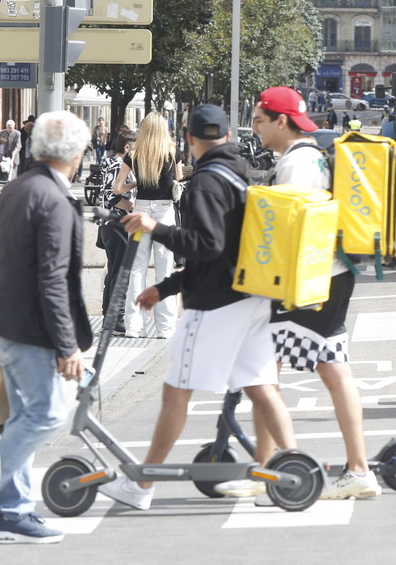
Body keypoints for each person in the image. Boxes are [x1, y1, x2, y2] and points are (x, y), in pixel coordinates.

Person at [100, 104, 297, 511]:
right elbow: (223, 251)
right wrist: (167, 286)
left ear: (189, 140)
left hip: (215, 306)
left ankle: (141, 485)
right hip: (252, 296)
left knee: (175, 392)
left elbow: (206, 247)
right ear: (226, 136)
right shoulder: (239, 173)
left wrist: (158, 228)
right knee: (262, 387)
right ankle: (293, 471)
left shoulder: (206, 182)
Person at [0, 110, 93, 545]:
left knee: (20, 417)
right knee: (46, 414)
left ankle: (13, 510)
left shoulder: (17, 190)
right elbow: (52, 278)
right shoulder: (53, 199)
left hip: (6, 322)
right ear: (78, 153)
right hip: (30, 327)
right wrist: (67, 345)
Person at [236, 86, 380, 502]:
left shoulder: (297, 164)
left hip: (310, 282)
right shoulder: (310, 156)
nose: (256, 128)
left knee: (264, 370)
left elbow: (295, 230)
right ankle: (355, 468)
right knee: (330, 370)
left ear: (282, 121)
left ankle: (271, 470)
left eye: (261, 120)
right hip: (329, 277)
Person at [113, 113, 182, 338]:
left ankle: (134, 326)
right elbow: (178, 184)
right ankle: (165, 327)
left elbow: (117, 189)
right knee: (164, 270)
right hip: (164, 212)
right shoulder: (171, 151)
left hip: (140, 210)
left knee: (136, 268)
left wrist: (137, 182)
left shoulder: (135, 153)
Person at [98, 128, 138, 335]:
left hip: (110, 225)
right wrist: (133, 208)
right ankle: (116, 318)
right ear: (127, 147)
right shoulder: (117, 165)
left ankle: (110, 318)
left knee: (114, 272)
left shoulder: (111, 163)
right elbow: (113, 196)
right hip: (117, 224)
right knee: (120, 273)